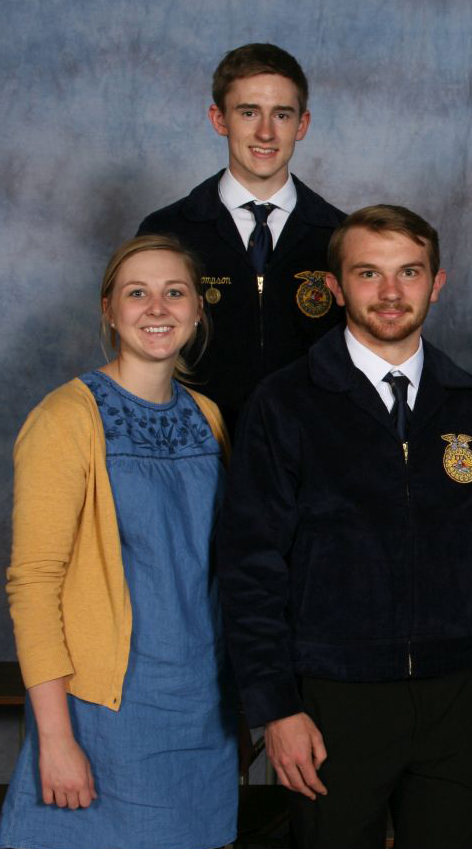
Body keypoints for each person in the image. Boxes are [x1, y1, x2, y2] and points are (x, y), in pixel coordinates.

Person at [216, 204, 472, 849]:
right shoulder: (285, 404)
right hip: (333, 699)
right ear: (335, 286)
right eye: (368, 274)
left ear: (437, 282)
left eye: (409, 272)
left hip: (456, 697)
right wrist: (277, 706)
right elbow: (251, 567)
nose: (391, 293)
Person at [0, 235, 237, 849]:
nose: (157, 308)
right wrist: (54, 740)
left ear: (196, 311)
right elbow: (33, 586)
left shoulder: (208, 417)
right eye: (138, 293)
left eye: (174, 292)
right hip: (105, 712)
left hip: (201, 706)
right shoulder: (65, 418)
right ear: (109, 309)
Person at [138, 42, 346, 435]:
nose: (265, 132)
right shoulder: (168, 231)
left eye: (281, 115)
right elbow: (139, 357)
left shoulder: (341, 236)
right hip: (196, 450)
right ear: (219, 119)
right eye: (248, 112)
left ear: (302, 124)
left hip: (311, 460)